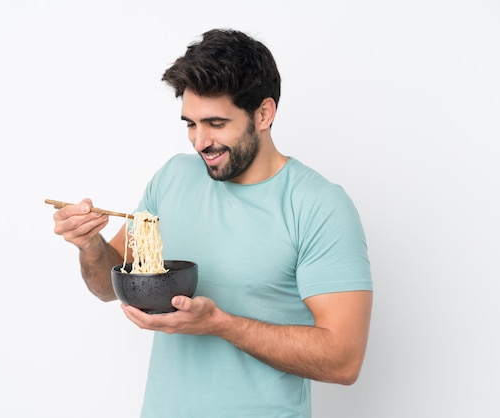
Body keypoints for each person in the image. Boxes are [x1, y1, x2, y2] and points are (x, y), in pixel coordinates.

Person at [52, 28, 373, 418]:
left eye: (216, 124)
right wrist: (91, 245)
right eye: (190, 123)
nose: (199, 141)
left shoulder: (319, 205)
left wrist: (221, 324)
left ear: (264, 114)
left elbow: (343, 360)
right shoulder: (172, 178)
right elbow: (110, 285)